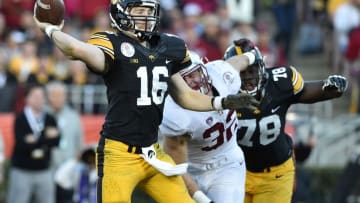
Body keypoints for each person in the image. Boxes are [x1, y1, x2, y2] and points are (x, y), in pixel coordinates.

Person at [33, 0, 259, 202]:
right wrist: (52, 30)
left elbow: (185, 95)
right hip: (119, 154)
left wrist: (222, 102)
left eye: (149, 11)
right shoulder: (111, 42)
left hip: (153, 152)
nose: (146, 17)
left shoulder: (169, 46)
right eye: (139, 10)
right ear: (120, 14)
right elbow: (76, 49)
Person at [223, 38, 348, 203]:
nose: (247, 78)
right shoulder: (221, 93)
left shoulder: (280, 81)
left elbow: (305, 92)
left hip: (275, 174)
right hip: (235, 173)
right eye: (242, 72)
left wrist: (329, 88)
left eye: (251, 71)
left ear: (261, 67)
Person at [159, 51, 259, 203]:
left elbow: (237, 62)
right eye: (187, 78)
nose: (195, 80)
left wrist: (252, 54)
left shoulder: (221, 74)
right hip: (190, 170)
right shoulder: (175, 114)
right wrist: (202, 199)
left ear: (203, 68)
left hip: (227, 163)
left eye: (196, 73)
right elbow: (176, 166)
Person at [7, 85, 60, 203]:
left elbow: (56, 141)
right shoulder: (20, 118)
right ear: (27, 98)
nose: (39, 99)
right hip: (22, 171)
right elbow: (22, 144)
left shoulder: (50, 118)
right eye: (35, 96)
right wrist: (45, 137)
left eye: (42, 96)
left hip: (44, 170)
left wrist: (35, 139)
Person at [45, 81, 84, 170]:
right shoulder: (43, 115)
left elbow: (79, 142)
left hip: (69, 167)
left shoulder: (73, 116)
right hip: (48, 167)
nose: (57, 99)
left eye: (60, 95)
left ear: (65, 96)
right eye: (54, 95)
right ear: (48, 97)